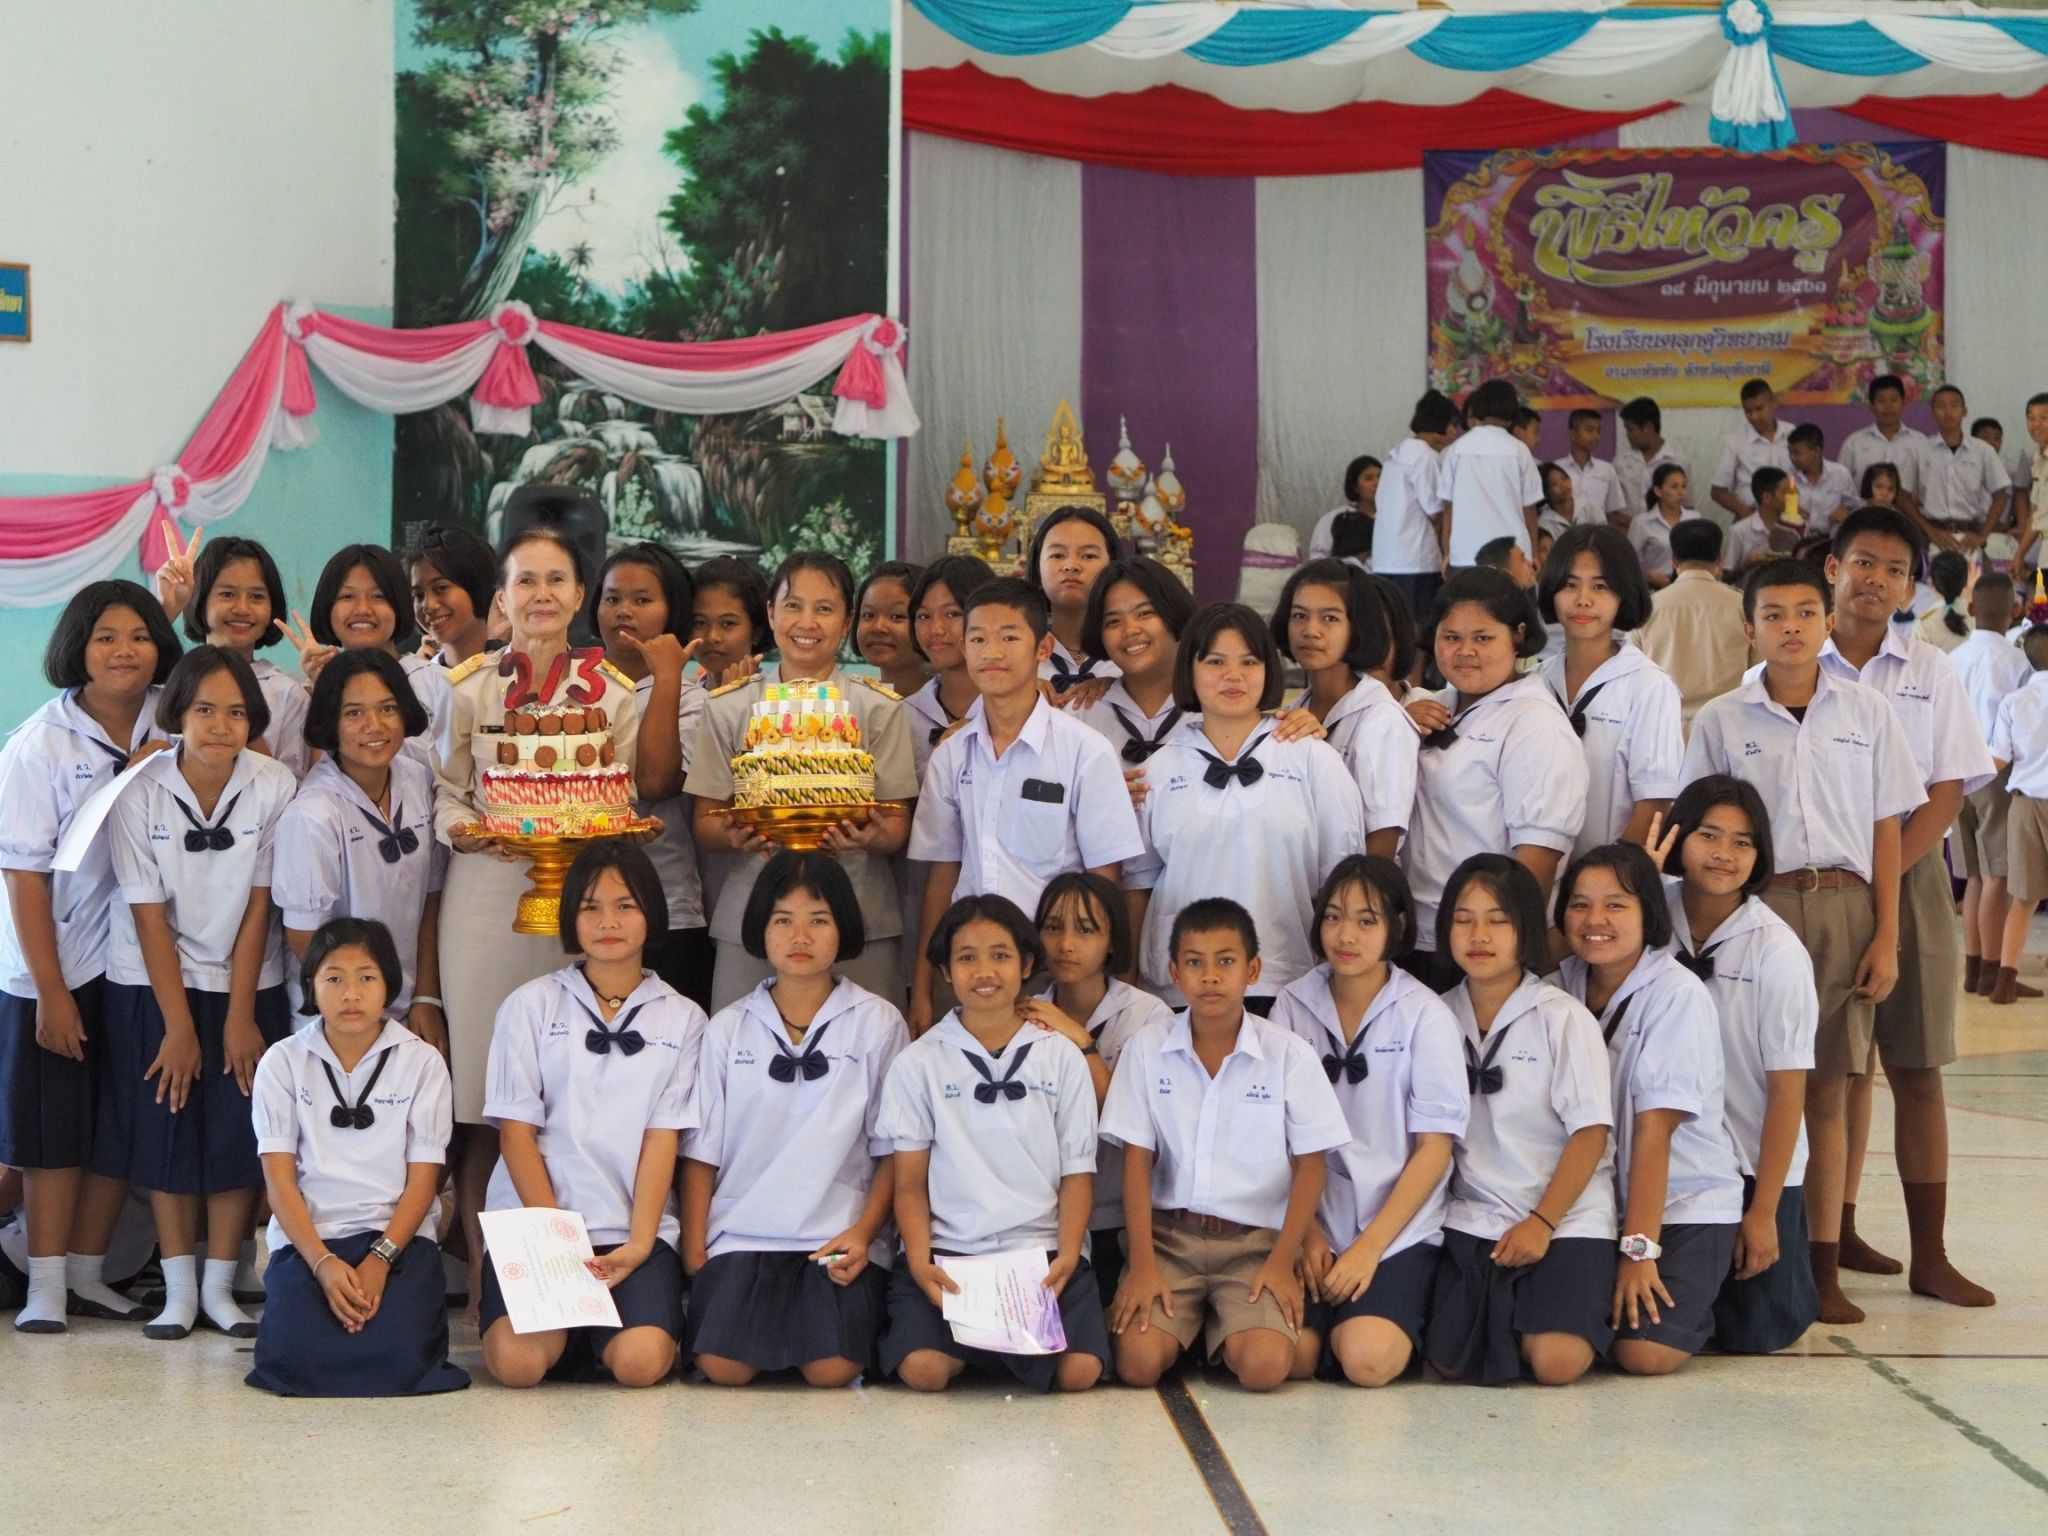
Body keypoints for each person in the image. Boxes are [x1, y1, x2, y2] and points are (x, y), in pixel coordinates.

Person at [1680, 558, 1925, 1325]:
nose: (1791, 627)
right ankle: (1727, 1239)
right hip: (1753, 906)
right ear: (1748, 628)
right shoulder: (1721, 719)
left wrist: (1886, 934)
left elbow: (1887, 830)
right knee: (1740, 1079)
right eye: (1774, 614)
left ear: (1826, 622)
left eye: (1805, 613)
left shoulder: (1867, 712)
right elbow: (1696, 830)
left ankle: (1822, 1266)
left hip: (1845, 905)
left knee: (1830, 1089)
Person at [434, 510, 644, 1309]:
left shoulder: (614, 694)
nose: (542, 594)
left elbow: (619, 793)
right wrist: (466, 830)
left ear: (581, 594)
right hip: (487, 898)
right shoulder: (468, 689)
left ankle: (575, 1275)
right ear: (503, 597)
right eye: (527, 581)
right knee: (485, 1100)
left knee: (572, 1090)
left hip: (581, 905)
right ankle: (488, 1282)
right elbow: (447, 791)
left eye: (557, 580)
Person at [1818, 507, 1996, 1310]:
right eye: (1864, 562)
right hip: (1817, 884)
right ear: (1834, 567)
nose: (1877, 580)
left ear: (1910, 588)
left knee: (1916, 1067)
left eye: (1895, 570)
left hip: (1913, 876)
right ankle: (1836, 1231)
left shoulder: (1931, 670)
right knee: (1834, 1073)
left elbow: (1949, 788)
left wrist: (1884, 874)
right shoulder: (1796, 659)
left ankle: (1932, 1256)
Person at [99, 646, 298, 1340]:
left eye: (237, 712)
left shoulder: (275, 784)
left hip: (247, 978)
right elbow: (147, 914)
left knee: (239, 1129)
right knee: (167, 1126)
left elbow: (260, 905)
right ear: (177, 713)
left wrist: (241, 1015)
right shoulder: (139, 790)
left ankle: (219, 1288)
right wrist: (178, 1026)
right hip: (153, 981)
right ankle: (178, 1292)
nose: (220, 726)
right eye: (205, 709)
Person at [0, 581, 179, 1331]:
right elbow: (24, 875)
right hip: (58, 962)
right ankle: (43, 1286)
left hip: (137, 958)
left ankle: (85, 1273)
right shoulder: (40, 743)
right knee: (52, 1128)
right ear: (78, 646)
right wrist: (50, 991)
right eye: (106, 636)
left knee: (115, 1120)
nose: (124, 651)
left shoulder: (174, 716)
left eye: (140, 635)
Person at [478, 840, 706, 1389]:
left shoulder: (684, 1017)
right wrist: (557, 1241)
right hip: (537, 1225)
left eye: (625, 905)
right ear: (569, 917)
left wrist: (641, 1243)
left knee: (640, 1365)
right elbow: (516, 1135)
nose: (609, 922)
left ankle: (600, 1334)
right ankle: (568, 1336)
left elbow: (662, 1139)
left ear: (651, 912)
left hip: (630, 1228)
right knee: (518, 1367)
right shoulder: (530, 1005)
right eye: (590, 907)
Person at [1102, 898, 1349, 1393]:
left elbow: (1311, 1166)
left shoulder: (1288, 1054)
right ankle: (1201, 1328)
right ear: (1175, 972)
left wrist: (1281, 1261)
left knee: (1264, 1369)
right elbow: (1136, 1162)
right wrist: (1143, 1266)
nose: (1210, 976)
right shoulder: (1147, 1049)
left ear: (1252, 970)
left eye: (1226, 961)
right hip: (1170, 1240)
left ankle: (1223, 1329)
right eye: (1195, 963)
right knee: (1137, 1365)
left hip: (1254, 1244)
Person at [682, 852, 907, 1389]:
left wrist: (863, 1233)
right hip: (743, 1231)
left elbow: (895, 1150)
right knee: (722, 1368)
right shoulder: (728, 1027)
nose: (799, 936)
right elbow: (700, 1153)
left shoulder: (878, 1023)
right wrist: (696, 1252)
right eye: (783, 919)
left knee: (832, 1370)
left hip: (837, 1231)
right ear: (761, 929)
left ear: (843, 928)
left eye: (818, 920)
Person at [875, 894, 1108, 1394]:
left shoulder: (1060, 1056)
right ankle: (988, 1349)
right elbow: (909, 1184)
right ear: (945, 971)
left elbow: (1078, 1172)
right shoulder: (919, 1062)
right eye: (967, 958)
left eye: (1000, 955)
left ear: (1025, 964)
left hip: (1042, 1252)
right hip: (951, 1253)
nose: (984, 971)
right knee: (923, 1370)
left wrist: (1069, 1254)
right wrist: (919, 1262)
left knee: (1081, 1371)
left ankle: (999, 1348)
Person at [245, 918, 468, 1397]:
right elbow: (279, 1181)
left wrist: (380, 1259)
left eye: (367, 977)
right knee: (294, 1361)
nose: (351, 994)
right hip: (311, 1241)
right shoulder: (282, 1061)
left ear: (389, 983)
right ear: (311, 985)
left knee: (404, 1360)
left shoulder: (421, 1061)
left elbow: (423, 1181)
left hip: (398, 1241)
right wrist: (322, 1262)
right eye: (334, 978)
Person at [907, 579, 1142, 1033]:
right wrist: (922, 986)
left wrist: (1097, 980)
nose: (991, 652)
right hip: (969, 966)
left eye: (1009, 637)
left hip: (1055, 969)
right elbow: (941, 874)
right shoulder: (951, 755)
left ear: (1043, 648)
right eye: (978, 639)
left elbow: (1105, 877)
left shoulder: (1085, 751)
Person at [688, 551, 917, 1014]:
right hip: (752, 914)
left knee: (865, 1045)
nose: (807, 622)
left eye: (824, 609)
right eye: (793, 606)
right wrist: (733, 834)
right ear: (771, 614)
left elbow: (897, 826)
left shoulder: (878, 708)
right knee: (743, 1045)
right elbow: (705, 822)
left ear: (846, 622)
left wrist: (869, 836)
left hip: (859, 915)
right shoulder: (729, 707)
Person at [1423, 856, 1616, 1386]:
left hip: (1564, 1215)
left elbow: (1591, 1133)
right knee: (1446, 1362)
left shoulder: (1562, 1016)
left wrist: (1542, 1222)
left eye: (1498, 920)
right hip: (1474, 1215)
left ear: (1526, 929)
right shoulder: (1432, 1014)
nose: (1479, 936)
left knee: (1557, 1362)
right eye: (1463, 919)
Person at [1553, 843, 1744, 1374]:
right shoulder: (1557, 987)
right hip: (1596, 1202)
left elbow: (1654, 1133)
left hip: (1684, 1204)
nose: (1595, 920)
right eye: (1580, 904)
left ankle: (1705, 1300)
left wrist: (1639, 1251)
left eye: (1616, 905)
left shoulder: (1677, 994)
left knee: (1644, 1353)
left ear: (1649, 914)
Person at [1276, 857, 1465, 1387]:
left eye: (1366, 921)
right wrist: (1306, 1233)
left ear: (1396, 927)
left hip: (1395, 1229)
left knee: (1367, 1361)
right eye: (1334, 917)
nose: (1346, 936)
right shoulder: (1292, 1004)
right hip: (1312, 1218)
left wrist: (1367, 1250)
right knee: (1287, 1358)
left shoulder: (1425, 1014)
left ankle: (1377, 1316)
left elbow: (1435, 1148)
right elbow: (1276, 1136)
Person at [1653, 778, 1821, 1355]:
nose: (1724, 854)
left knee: (1753, 1332)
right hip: (1665, 1156)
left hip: (1754, 1165)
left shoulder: (1776, 951)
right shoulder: (1648, 919)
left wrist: (1764, 1211)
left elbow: (1788, 1093)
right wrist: (1641, 880)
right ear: (1678, 838)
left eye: (1742, 842)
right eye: (1708, 835)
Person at [1124, 605, 1364, 1008]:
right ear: (1189, 670)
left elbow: (1344, 875)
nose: (1233, 676)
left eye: (1249, 662)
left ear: (1269, 669)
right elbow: (1136, 886)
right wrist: (1128, 982)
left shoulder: (1312, 758)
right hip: (1179, 986)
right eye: (1216, 661)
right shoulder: (1158, 770)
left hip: (1288, 981)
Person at [1401, 569, 1588, 989]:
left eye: (1483, 638)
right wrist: (1399, 724)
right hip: (1420, 933)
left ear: (1517, 636)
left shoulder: (1534, 723)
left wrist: (1506, 956)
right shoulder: (1434, 706)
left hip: (1481, 945)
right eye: (1451, 637)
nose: (1465, 651)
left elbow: (1536, 859)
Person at [274, 650, 444, 1042]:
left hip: (410, 1005)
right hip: (340, 1013)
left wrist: (426, 996)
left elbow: (431, 899)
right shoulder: (313, 815)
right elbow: (304, 939)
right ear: (330, 722)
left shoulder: (418, 780)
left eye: (388, 708)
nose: (374, 725)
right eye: (354, 713)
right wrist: (367, 1012)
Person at [1030, 871, 1173, 1312]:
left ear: (1112, 941)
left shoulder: (1149, 1016)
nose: (1066, 944)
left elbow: (1143, 1128)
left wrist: (1080, 1041)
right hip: (1044, 1220)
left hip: (1127, 1219)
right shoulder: (1024, 1011)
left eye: (1085, 930)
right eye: (1053, 928)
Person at [593, 542, 712, 1009]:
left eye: (642, 600)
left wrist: (666, 679)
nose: (624, 611)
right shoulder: (571, 685)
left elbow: (657, 784)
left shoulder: (692, 697)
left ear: (671, 611)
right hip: (584, 905)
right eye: (612, 598)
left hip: (666, 907)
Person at [1536, 525, 1682, 855]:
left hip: (1614, 874)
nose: (1583, 599)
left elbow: (1654, 803)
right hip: (1538, 873)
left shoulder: (1649, 686)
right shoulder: (1536, 681)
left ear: (1623, 594)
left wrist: (1607, 874)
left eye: (1600, 586)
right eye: (1570, 585)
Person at [1273, 558, 1416, 858]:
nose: (1310, 630)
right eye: (1299, 616)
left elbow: (1383, 839)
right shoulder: (1295, 709)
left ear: (1357, 627)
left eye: (1330, 618)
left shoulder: (1381, 718)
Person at [155, 533, 311, 778]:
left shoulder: (288, 694)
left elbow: (293, 785)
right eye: (227, 594)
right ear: (199, 599)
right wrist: (168, 607)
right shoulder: (172, 682)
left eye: (257, 596)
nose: (242, 608)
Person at [1949, 572, 2033, 996]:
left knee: (1973, 879)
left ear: (1970, 609)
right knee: (1996, 876)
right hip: (1994, 773)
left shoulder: (1951, 658)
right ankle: (1993, 971)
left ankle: (1971, 968)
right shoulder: (2018, 662)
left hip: (1952, 776)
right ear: (2015, 611)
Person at [1072, 555, 1197, 781]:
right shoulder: (1080, 716)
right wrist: (1097, 798)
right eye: (1113, 621)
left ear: (1174, 613)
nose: (1130, 630)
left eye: (1145, 613)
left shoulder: (1214, 707)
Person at [1633, 519, 1753, 736]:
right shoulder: (1742, 606)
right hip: (1730, 727)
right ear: (1719, 560)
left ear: (1673, 561)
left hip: (1666, 730)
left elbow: (1634, 677)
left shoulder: (1649, 609)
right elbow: (1759, 672)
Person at [1990, 627, 2048, 1003]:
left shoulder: (2014, 701)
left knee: (2023, 899)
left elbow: (1999, 759)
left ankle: (2005, 981)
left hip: (2026, 804)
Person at [901, 555, 995, 781]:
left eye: (952, 614)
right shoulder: (905, 715)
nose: (936, 629)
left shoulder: (1018, 709)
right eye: (923, 616)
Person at [1372, 390, 1460, 619]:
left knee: (1393, 624)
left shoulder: (1396, 455)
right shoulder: (1425, 456)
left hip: (1385, 559)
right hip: (1415, 561)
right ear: (1441, 425)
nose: (1456, 432)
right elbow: (1436, 511)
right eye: (1453, 425)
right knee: (1418, 626)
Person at [1441, 380, 1544, 572]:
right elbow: (1529, 510)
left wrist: (1447, 552)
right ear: (1512, 409)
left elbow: (1448, 508)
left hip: (1465, 554)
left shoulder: (1455, 450)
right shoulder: (1519, 450)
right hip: (1513, 555)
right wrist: (1535, 553)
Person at [1028, 505, 1124, 694]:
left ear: (1113, 566)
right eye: (1057, 555)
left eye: (1088, 556)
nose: (1071, 566)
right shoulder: (1020, 654)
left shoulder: (1131, 650)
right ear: (1037, 568)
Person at [1916, 384, 2011, 554]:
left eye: (1954, 405)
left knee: (1973, 572)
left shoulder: (1983, 450)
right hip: (1932, 536)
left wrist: (1983, 534)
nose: (1948, 412)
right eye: (1941, 406)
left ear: (1964, 411)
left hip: (1970, 536)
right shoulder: (1920, 449)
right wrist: (1930, 531)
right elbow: (1903, 496)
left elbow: (2001, 495)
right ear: (1933, 413)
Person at [406, 524, 496, 670]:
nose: (428, 606)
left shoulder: (517, 670)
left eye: (441, 588)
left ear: (476, 584)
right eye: (419, 595)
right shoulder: (416, 679)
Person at [1840, 374, 1928, 518]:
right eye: (1881, 401)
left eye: (1893, 400)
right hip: (1864, 521)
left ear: (1903, 403)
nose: (1888, 406)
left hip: (1908, 522)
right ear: (1871, 406)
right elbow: (1842, 491)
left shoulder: (1920, 442)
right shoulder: (1854, 443)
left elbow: (1928, 490)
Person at [1711, 379, 1797, 521]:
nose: (1754, 417)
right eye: (1748, 412)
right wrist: (1746, 513)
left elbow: (1803, 478)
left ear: (1773, 403)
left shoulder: (1792, 433)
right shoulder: (1735, 441)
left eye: (1759, 409)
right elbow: (1718, 491)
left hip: (1790, 517)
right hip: (1752, 519)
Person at [688, 556, 769, 690]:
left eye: (728, 623)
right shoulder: (681, 697)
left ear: (756, 633)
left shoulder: (780, 697)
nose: (712, 637)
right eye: (700, 623)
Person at [853, 560, 930, 702]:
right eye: (868, 615)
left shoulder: (953, 706)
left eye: (896, 616)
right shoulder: (850, 703)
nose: (878, 627)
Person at [1628, 462, 1698, 587]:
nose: (1681, 492)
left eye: (1683, 486)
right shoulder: (1641, 522)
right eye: (1674, 487)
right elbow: (1628, 563)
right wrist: (1647, 576)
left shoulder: (1695, 518)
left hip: (1689, 586)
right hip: (1653, 588)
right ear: (1658, 491)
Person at [1615, 397, 1687, 517]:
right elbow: (1613, 510)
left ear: (1648, 427)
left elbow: (1687, 506)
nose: (1627, 435)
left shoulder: (1678, 461)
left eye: (1630, 429)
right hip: (1627, 528)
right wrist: (1636, 525)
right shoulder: (1620, 463)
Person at [1558, 408, 1627, 529]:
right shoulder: (1557, 469)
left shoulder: (1607, 470)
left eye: (1598, 431)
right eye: (1589, 430)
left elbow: (1613, 513)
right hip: (1564, 534)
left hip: (1599, 535)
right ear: (1572, 434)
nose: (1596, 436)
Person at [1723, 468, 1795, 576]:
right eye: (1785, 492)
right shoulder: (1739, 531)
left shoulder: (1793, 529)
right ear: (1767, 497)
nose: (1792, 497)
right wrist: (1747, 565)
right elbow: (1726, 577)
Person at [1309, 455, 1381, 561]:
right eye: (1368, 478)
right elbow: (1318, 559)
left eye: (1381, 477)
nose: (1377, 483)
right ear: (1355, 487)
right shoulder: (1336, 518)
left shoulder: (1396, 518)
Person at [1786, 424, 1858, 530]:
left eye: (1797, 453)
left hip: (1833, 537)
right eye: (1790, 452)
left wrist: (1846, 513)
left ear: (1816, 451)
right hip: (1798, 537)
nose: (1792, 458)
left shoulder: (1840, 474)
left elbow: (1854, 507)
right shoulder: (1786, 477)